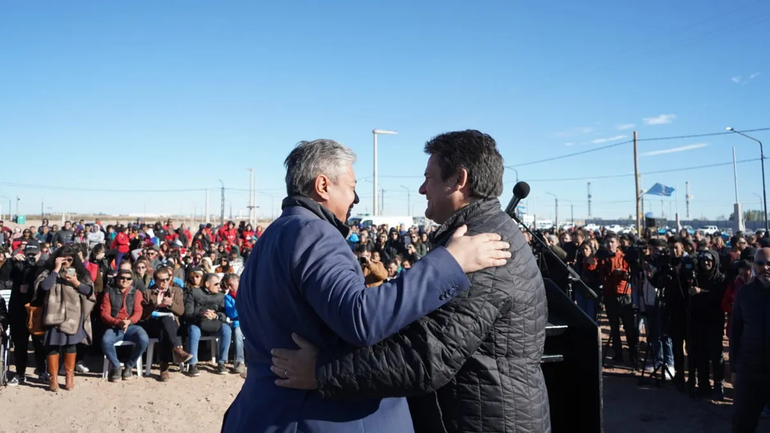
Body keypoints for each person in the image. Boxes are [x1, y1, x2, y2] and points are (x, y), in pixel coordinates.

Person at [222, 138, 511, 433]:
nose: (356, 198)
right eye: (351, 186)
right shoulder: (314, 233)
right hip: (318, 416)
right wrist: (449, 262)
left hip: (266, 411)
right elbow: (360, 318)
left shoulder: (274, 234)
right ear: (323, 186)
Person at [34, 245, 96, 392]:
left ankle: (69, 376)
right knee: (52, 346)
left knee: (70, 345)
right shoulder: (49, 272)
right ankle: (53, 378)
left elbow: (89, 291)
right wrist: (56, 269)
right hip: (53, 314)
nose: (67, 262)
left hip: (73, 315)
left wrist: (76, 283)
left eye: (70, 259)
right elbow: (44, 287)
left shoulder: (81, 273)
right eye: (64, 259)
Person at [729, 247, 770, 432]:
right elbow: (735, 331)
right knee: (742, 422)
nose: (765, 268)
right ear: (754, 265)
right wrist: (734, 368)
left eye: (769, 263)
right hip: (750, 369)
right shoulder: (745, 294)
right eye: (760, 263)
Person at [141, 266, 193, 381]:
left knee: (166, 324)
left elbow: (180, 312)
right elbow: (144, 315)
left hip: (172, 326)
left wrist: (171, 305)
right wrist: (156, 305)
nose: (165, 282)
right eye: (161, 280)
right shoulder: (148, 293)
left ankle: (164, 366)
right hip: (152, 325)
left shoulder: (177, 291)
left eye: (167, 279)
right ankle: (178, 350)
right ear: (155, 280)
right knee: (165, 321)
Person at [184, 273, 231, 377]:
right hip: (198, 323)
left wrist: (216, 315)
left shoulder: (220, 296)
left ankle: (222, 362)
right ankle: (192, 364)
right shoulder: (194, 293)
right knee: (193, 330)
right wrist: (201, 314)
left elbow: (224, 314)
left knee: (226, 329)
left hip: (214, 323)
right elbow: (188, 313)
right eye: (216, 284)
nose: (219, 286)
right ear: (207, 284)